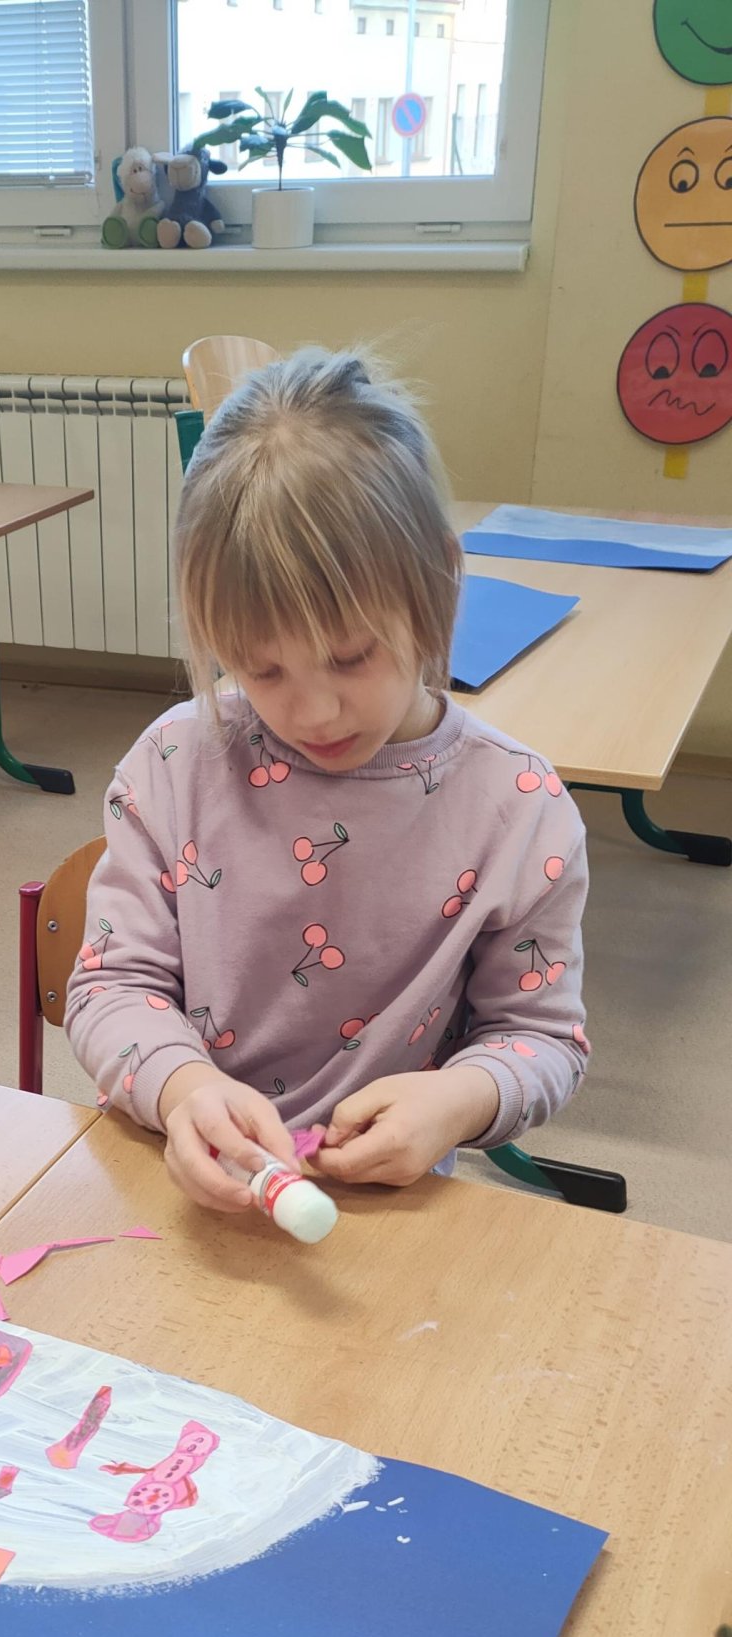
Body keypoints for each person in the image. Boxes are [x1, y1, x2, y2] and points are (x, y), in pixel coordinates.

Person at [65, 347, 590, 1214]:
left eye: (350, 657)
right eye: (261, 669)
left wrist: (459, 1101)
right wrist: (183, 1088)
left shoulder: (520, 811)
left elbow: (542, 1038)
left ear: (438, 582)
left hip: (388, 1200)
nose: (312, 713)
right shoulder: (174, 764)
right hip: (183, 1180)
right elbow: (111, 985)